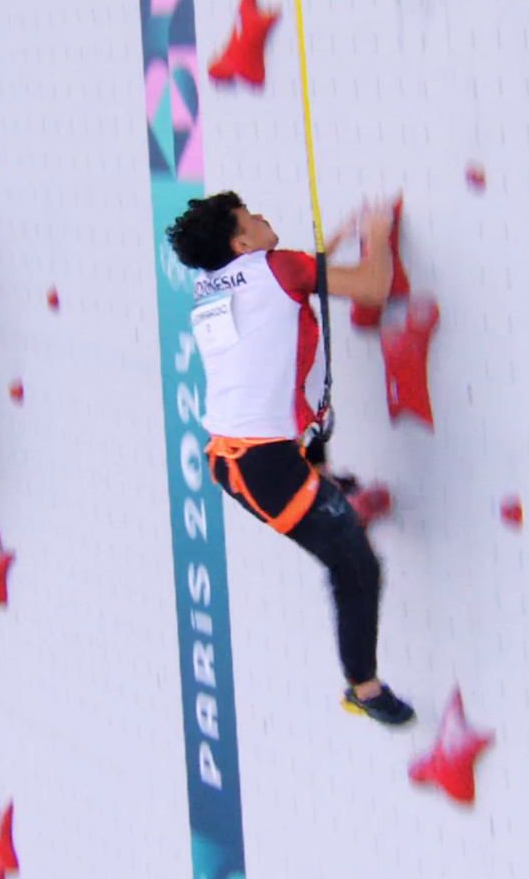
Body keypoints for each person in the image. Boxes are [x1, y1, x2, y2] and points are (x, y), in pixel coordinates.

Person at [166, 191, 415, 726]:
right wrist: (374, 234)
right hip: (263, 467)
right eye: (252, 220)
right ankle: (363, 688)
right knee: (355, 566)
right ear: (241, 243)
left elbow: (279, 287)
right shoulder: (277, 269)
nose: (263, 218)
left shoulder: (208, 288)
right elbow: (373, 285)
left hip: (245, 457)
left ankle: (328, 496)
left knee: (314, 420)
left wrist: (331, 246)